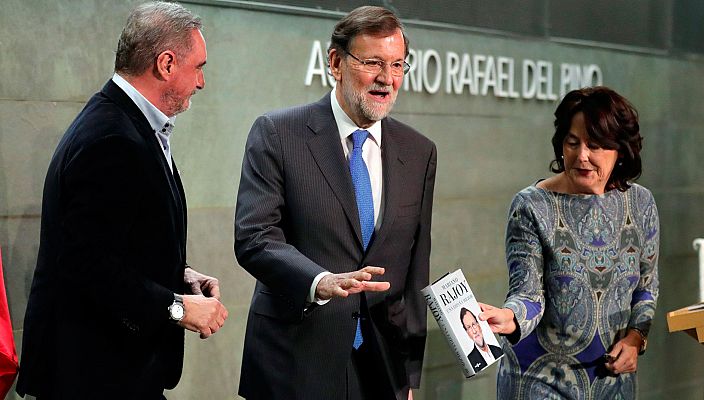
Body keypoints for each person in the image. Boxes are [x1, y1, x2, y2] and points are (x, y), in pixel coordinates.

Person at [16, 2, 228, 398]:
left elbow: (117, 239)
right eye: (198, 67)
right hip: (96, 376)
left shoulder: (125, 122)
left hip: (118, 372)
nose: (201, 82)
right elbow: (85, 262)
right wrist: (178, 307)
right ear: (166, 63)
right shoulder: (112, 138)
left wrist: (178, 273)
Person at [234, 6, 436, 400]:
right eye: (373, 63)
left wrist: (408, 377)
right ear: (335, 62)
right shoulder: (278, 133)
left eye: (397, 65)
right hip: (295, 361)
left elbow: (415, 271)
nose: (386, 79)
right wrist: (319, 281)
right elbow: (255, 238)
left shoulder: (419, 151)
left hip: (380, 368)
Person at [480, 86, 659, 399]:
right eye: (572, 143)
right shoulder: (532, 206)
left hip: (612, 383)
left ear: (619, 150)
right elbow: (528, 293)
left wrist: (635, 339)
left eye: (595, 145)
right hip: (539, 381)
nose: (582, 156)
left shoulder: (641, 203)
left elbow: (646, 287)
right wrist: (510, 318)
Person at [460, 307, 503, 373]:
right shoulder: (470, 361)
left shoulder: (498, 350)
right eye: (469, 327)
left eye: (474, 324)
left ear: (479, 325)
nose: (474, 331)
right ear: (467, 333)